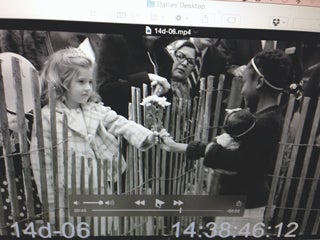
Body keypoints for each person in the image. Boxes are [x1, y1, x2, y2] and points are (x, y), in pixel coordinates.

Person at [161, 49, 290, 236]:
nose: (243, 89)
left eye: (244, 82)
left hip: (244, 209)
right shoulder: (266, 118)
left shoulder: (264, 123)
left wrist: (181, 147)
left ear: (260, 82)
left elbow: (235, 161)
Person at [30, 48, 159, 223]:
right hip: (68, 190)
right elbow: (41, 163)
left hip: (99, 183)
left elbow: (119, 122)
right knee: (75, 227)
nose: (88, 88)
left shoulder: (94, 108)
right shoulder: (48, 117)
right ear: (62, 82)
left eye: (90, 82)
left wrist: (147, 136)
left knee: (104, 224)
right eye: (81, 82)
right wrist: (51, 206)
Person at [96, 34, 172, 118]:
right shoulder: (114, 40)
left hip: (152, 126)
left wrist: (166, 92)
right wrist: (146, 78)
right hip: (117, 123)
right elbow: (105, 89)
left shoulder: (165, 58)